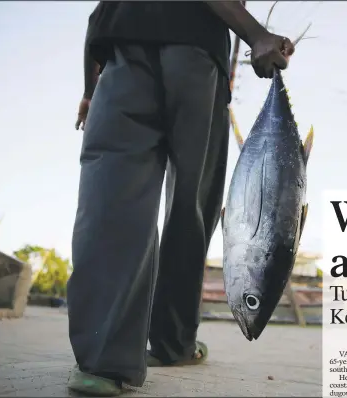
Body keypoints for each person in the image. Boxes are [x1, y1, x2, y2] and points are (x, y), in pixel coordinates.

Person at [67, 2, 295, 396]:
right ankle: (173, 344)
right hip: (194, 54)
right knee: (191, 206)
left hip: (120, 58)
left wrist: (90, 92)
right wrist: (255, 34)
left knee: (111, 200)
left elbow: (98, 16)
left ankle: (103, 363)